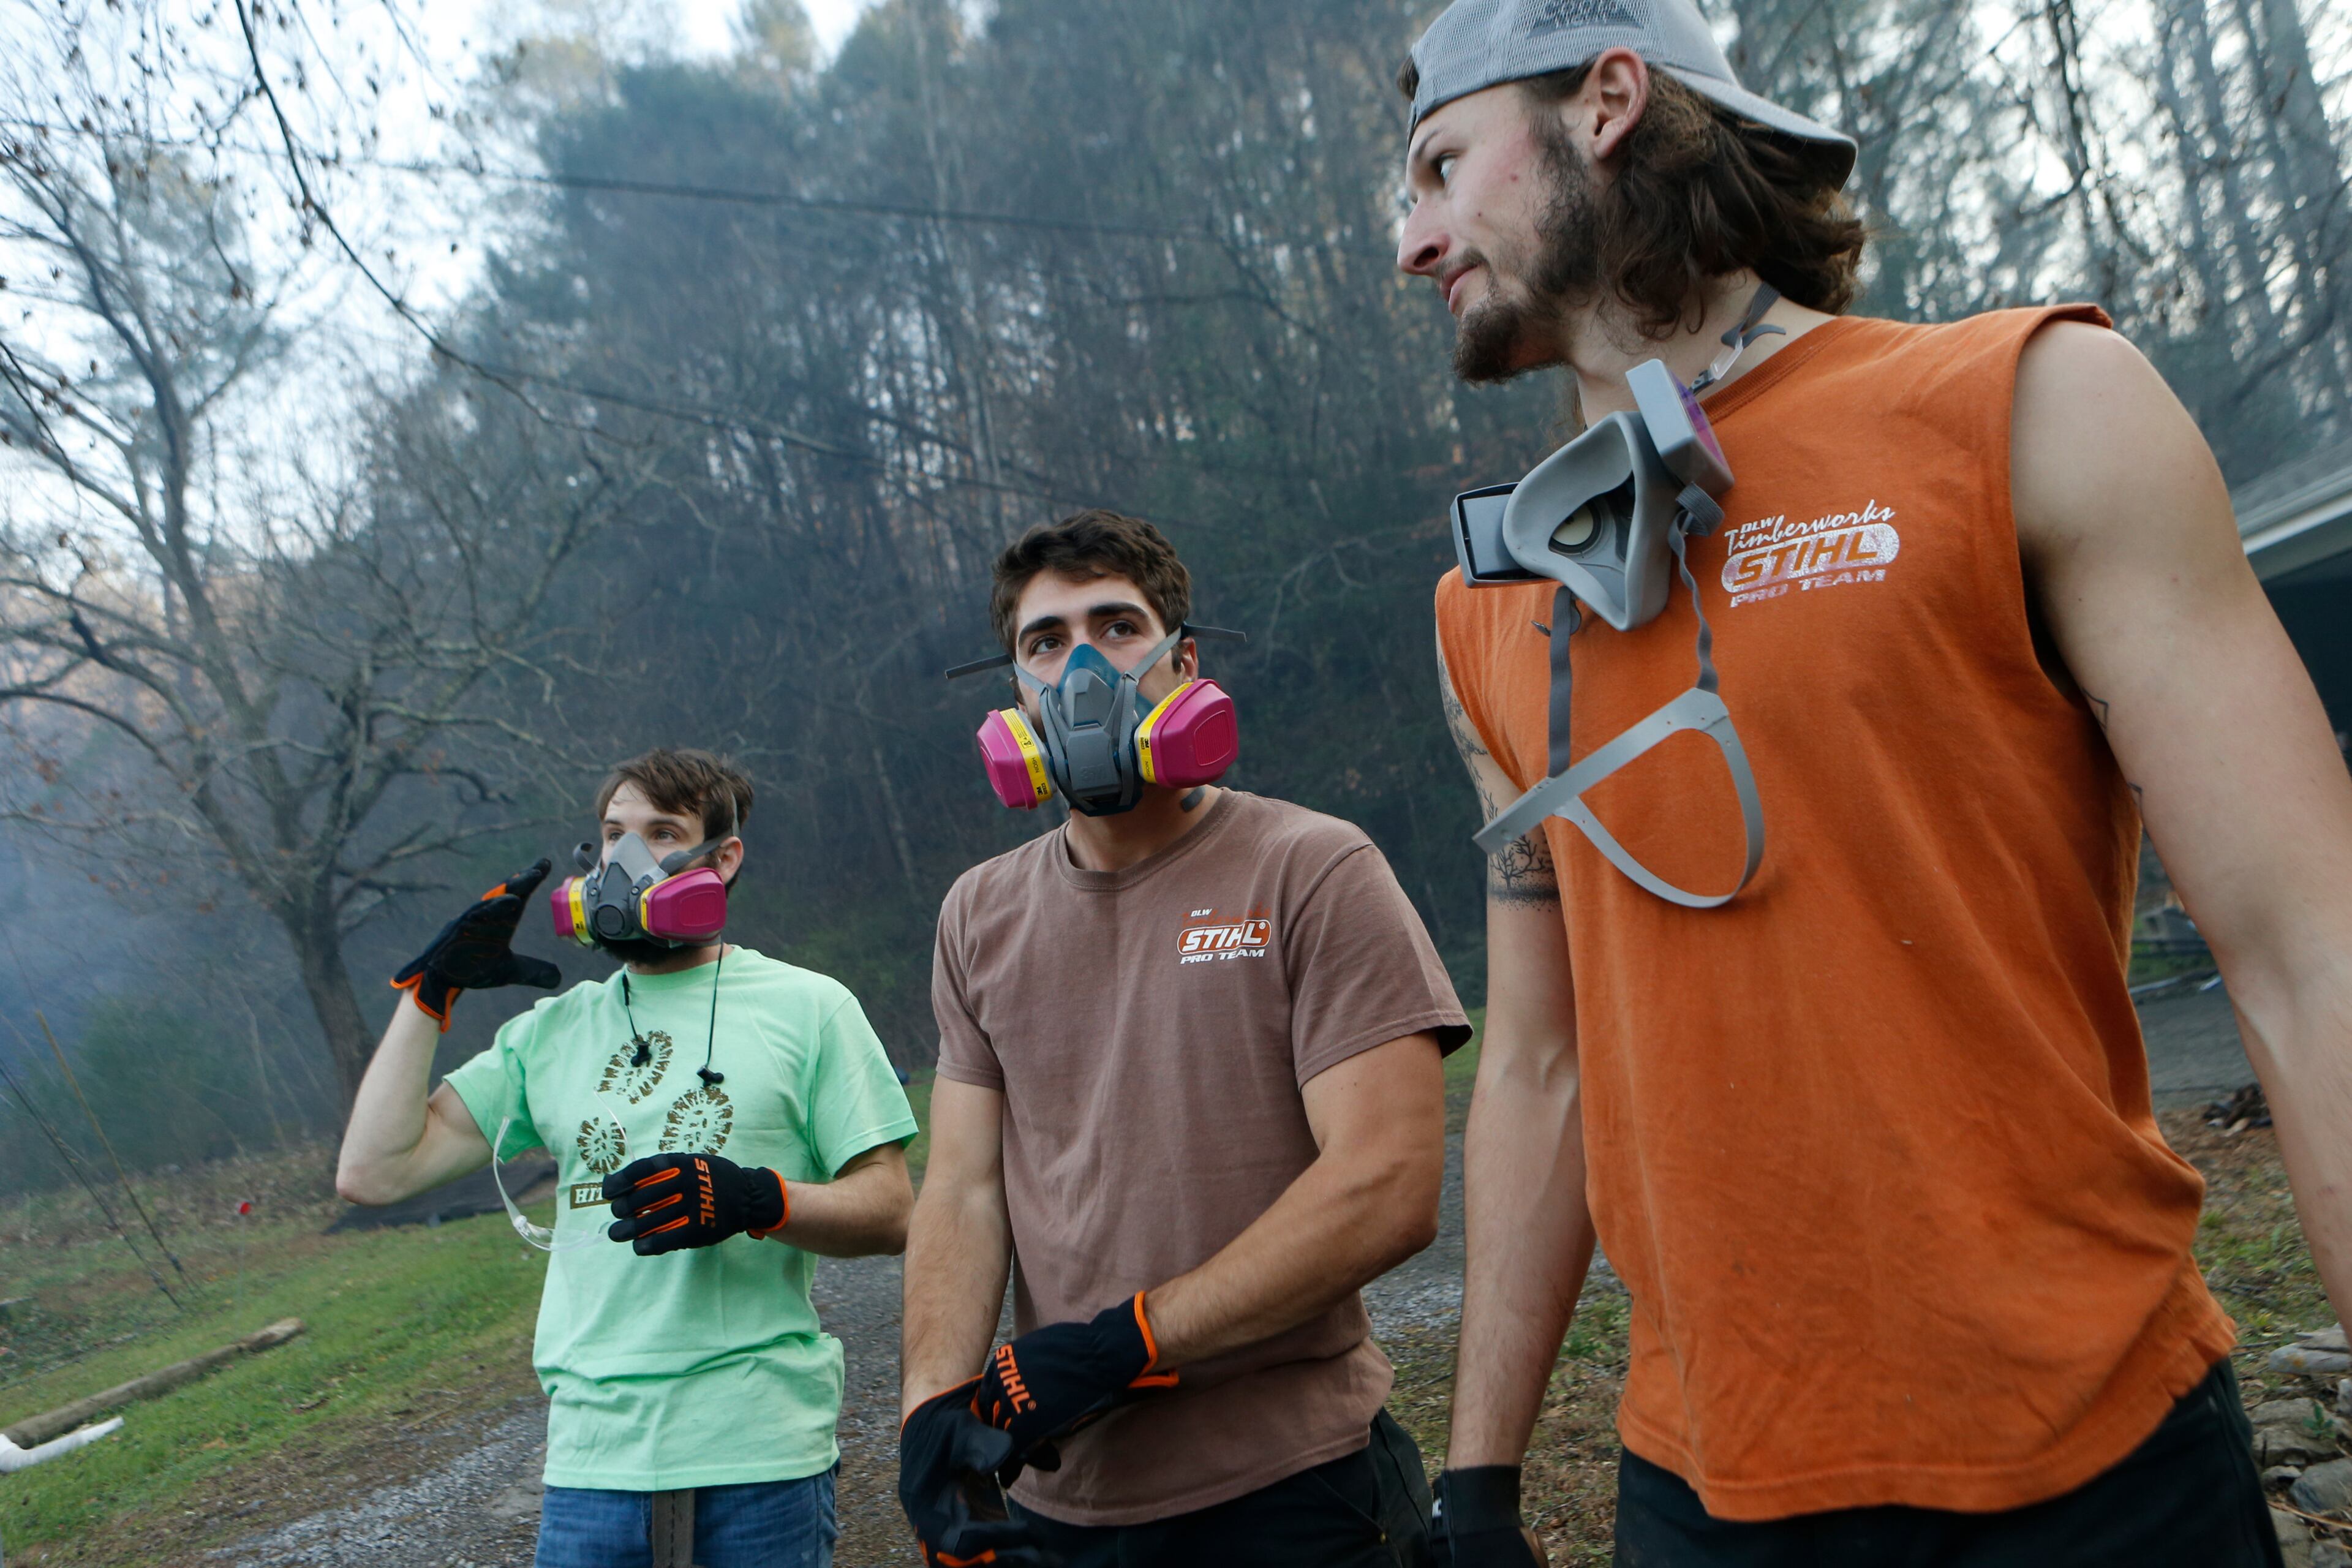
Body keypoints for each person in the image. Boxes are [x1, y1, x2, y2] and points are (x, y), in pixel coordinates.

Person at [1393, 4, 2352, 1565]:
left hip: (2091, 1470)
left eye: (1440, 167)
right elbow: (1539, 1061)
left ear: (1609, 102)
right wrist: (1479, 1475)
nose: (1413, 241)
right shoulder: (1486, 611)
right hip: (1698, 1492)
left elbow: (2316, 958)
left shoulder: (2031, 409)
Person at [897, 510, 1472, 1567]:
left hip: (1295, 1495)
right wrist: (934, 1413)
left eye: (1116, 626)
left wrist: (1130, 1341)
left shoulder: (1313, 868)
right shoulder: (976, 914)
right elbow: (962, 1190)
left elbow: (1388, 1185)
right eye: (1044, 641)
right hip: (1060, 1513)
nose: (1081, 668)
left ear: (1183, 661)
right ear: (1015, 696)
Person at [336, 748, 918, 1568]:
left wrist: (760, 1200)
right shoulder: (553, 1032)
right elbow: (374, 1171)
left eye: (662, 832)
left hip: (759, 1457)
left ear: (723, 858)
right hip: (590, 1470)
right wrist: (430, 996)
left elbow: (893, 1211)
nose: (628, 857)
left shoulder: (811, 1009)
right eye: (613, 834)